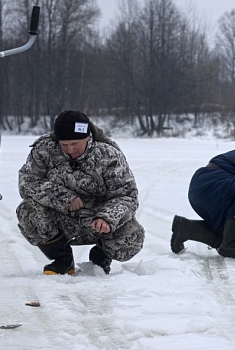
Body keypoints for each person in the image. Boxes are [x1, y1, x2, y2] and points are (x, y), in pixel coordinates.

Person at [16, 110, 145, 275]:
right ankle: (62, 260)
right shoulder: (44, 150)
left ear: (87, 137)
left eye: (75, 144)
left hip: (96, 221)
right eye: (64, 145)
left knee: (132, 235)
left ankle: (100, 259)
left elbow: (127, 196)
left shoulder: (108, 154)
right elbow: (27, 182)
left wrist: (106, 218)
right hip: (59, 218)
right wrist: (64, 197)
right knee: (27, 210)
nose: (70, 150)